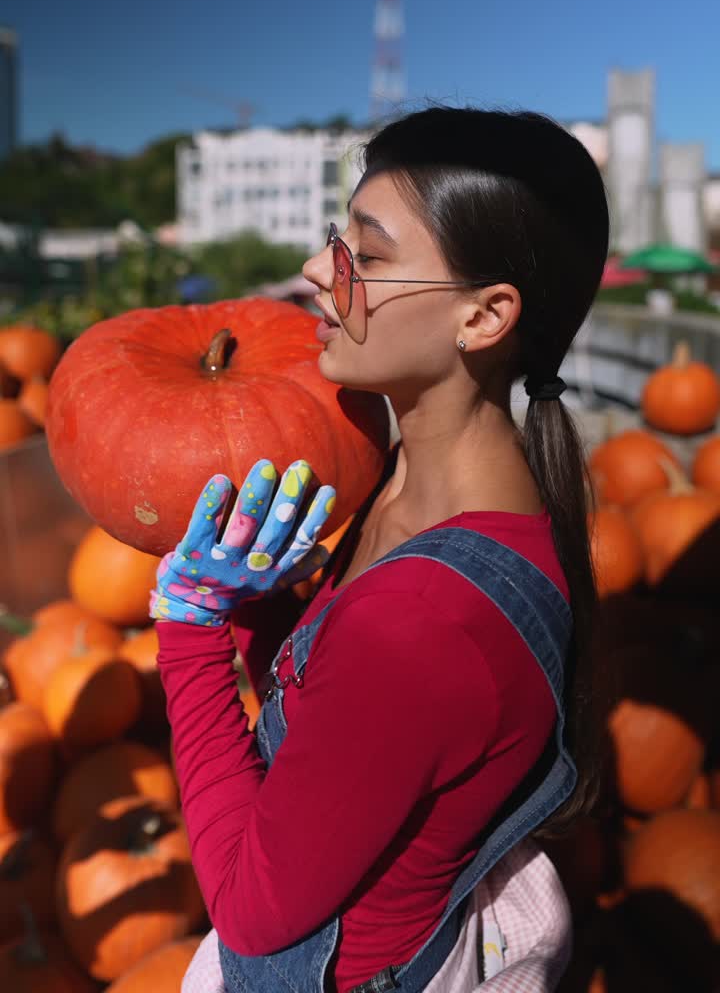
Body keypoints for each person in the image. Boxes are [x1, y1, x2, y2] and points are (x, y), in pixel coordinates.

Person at [153, 105, 610, 993]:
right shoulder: (404, 480)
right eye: (340, 240)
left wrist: (193, 628)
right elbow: (336, 710)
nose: (314, 275)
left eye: (367, 256)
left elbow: (249, 909)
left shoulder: (421, 624)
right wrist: (264, 604)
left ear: (483, 317)